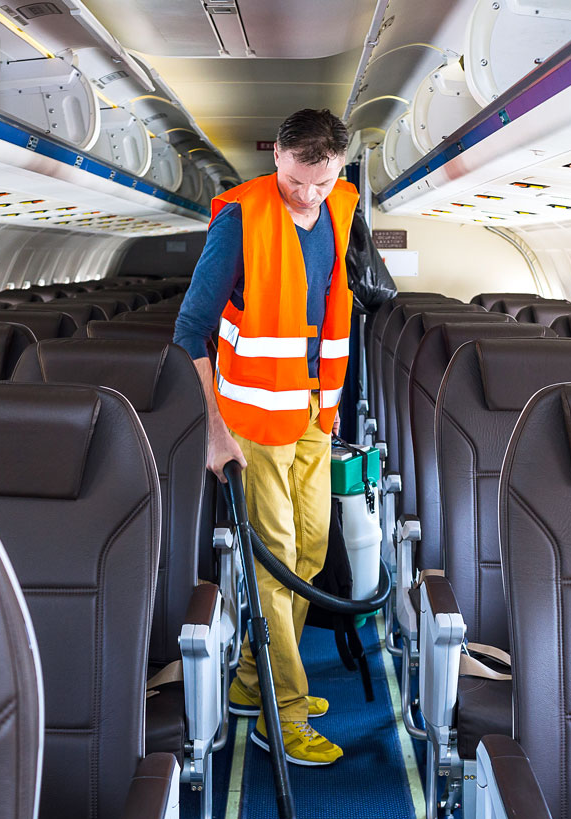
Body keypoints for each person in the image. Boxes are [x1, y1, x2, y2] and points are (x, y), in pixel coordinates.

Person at [172, 108, 357, 766]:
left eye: (323, 181)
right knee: (273, 561)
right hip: (250, 422)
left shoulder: (339, 209)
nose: (308, 194)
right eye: (298, 179)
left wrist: (328, 408)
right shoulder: (240, 219)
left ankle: (252, 678)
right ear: (276, 154)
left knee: (309, 552)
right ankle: (284, 712)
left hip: (311, 412)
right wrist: (214, 433)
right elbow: (190, 331)